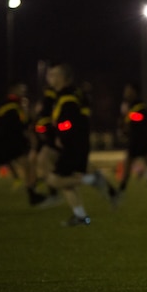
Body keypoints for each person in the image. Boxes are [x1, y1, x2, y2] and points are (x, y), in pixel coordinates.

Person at [45, 63, 94, 226]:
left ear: (62, 78)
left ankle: (92, 179)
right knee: (67, 184)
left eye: (54, 75)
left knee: (54, 181)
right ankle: (81, 217)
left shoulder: (67, 97)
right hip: (71, 143)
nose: (50, 77)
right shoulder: (60, 95)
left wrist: (60, 132)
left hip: (73, 145)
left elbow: (70, 123)